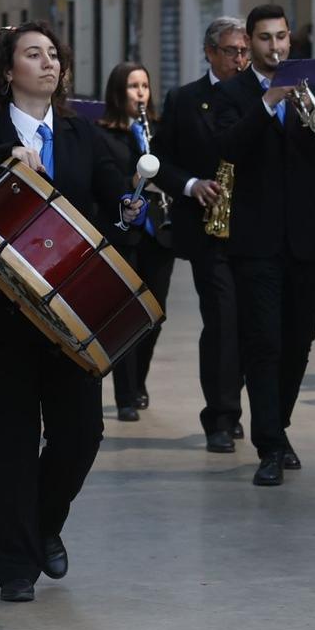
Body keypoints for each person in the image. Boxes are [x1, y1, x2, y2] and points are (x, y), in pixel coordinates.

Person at [0, 21, 141, 602]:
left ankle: (43, 524)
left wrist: (131, 210)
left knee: (82, 434)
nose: (49, 63)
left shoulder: (82, 135)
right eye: (34, 54)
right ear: (8, 72)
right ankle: (13, 563)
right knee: (12, 439)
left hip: (73, 316)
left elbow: (113, 197)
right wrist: (4, 162)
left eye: (54, 54)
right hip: (2, 315)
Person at [216, 6, 315, 487]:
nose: (275, 47)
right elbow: (226, 148)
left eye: (282, 37)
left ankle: (278, 426)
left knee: (298, 342)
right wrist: (267, 102)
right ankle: (269, 444)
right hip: (256, 240)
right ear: (250, 42)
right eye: (265, 39)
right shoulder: (232, 94)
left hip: (308, 236)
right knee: (263, 341)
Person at [153, 16, 251, 453]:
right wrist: (192, 185)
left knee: (257, 326)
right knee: (223, 323)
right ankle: (221, 415)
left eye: (244, 51)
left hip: (258, 227)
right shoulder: (184, 99)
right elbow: (160, 158)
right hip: (209, 230)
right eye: (232, 51)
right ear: (210, 52)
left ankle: (258, 410)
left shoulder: (261, 96)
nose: (240, 60)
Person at [97, 60, 186, 422]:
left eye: (144, 86)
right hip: (125, 232)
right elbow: (106, 181)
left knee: (154, 314)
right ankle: (125, 396)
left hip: (159, 231)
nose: (140, 93)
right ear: (118, 92)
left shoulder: (157, 129)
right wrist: (133, 176)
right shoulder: (105, 133)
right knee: (126, 315)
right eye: (133, 87)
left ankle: (139, 381)